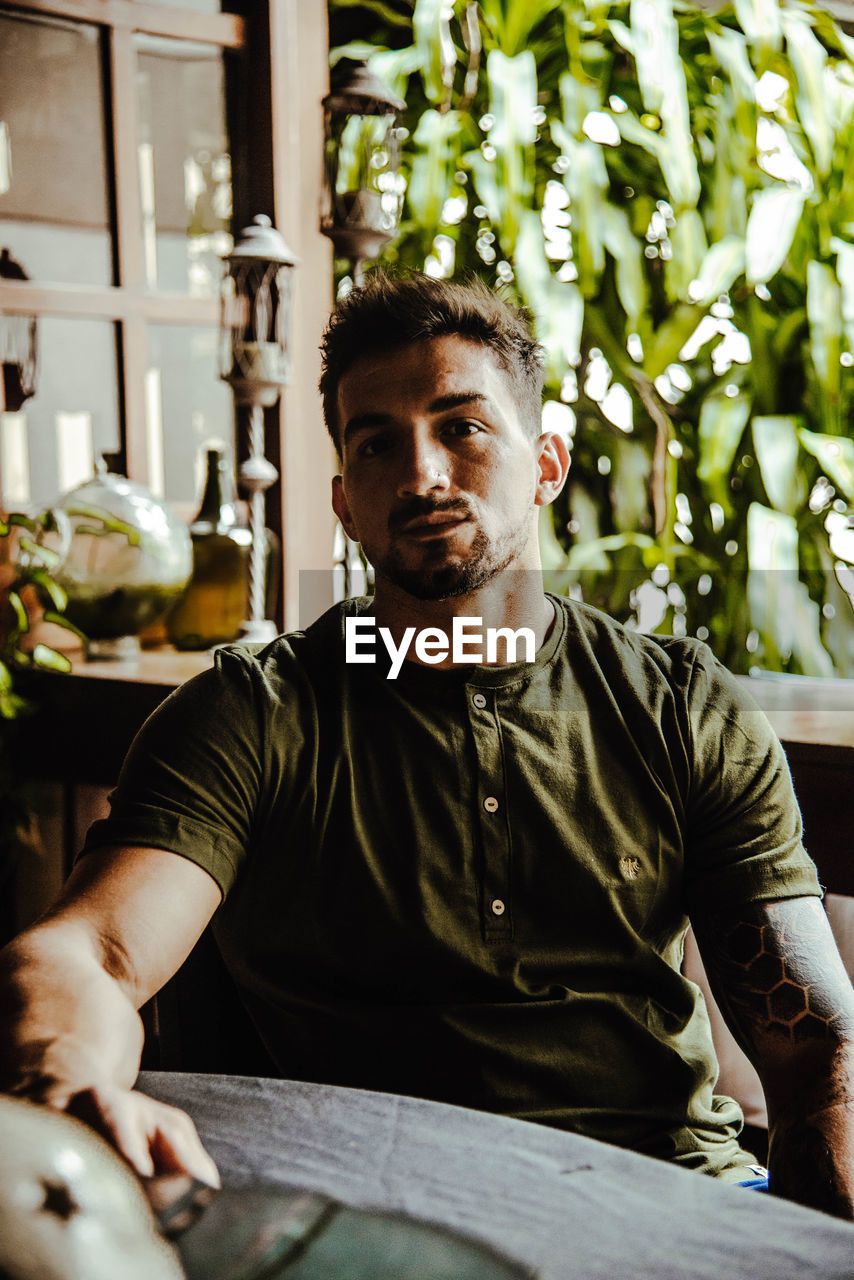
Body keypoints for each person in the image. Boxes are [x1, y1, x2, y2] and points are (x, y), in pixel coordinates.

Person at [1, 273, 853, 1220]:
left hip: (663, 1195)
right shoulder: (252, 713)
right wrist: (68, 1082)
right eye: (378, 444)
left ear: (546, 465)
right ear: (345, 503)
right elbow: (91, 952)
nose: (421, 475)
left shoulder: (682, 707)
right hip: (365, 1215)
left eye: (463, 427)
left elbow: (819, 1051)